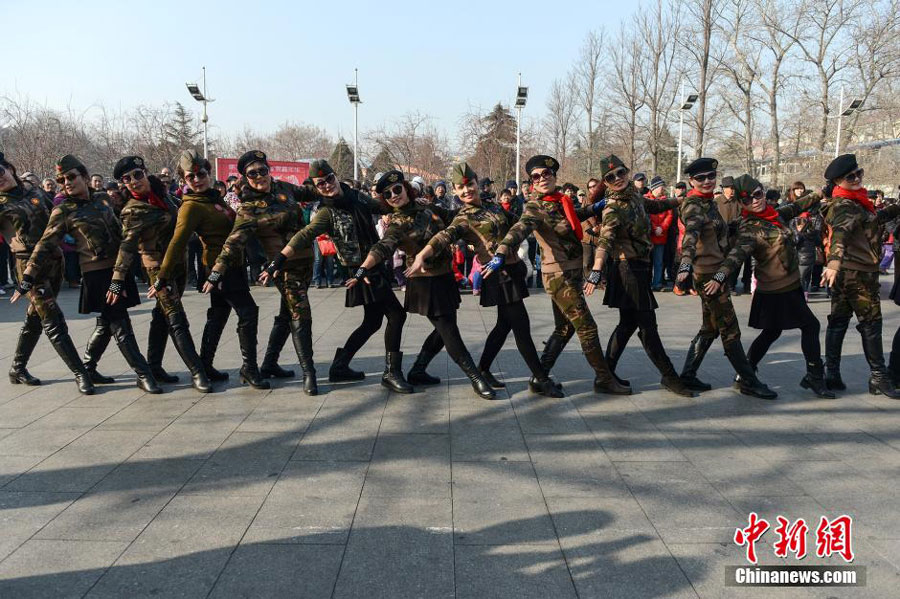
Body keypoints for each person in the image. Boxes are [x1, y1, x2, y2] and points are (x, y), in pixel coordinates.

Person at [406, 162, 563, 397]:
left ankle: (484, 368)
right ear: (455, 191)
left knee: (504, 325)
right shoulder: (463, 217)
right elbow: (443, 236)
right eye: (460, 188)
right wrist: (422, 254)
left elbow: (518, 223)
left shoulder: (493, 206)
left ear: (476, 183)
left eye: (469, 184)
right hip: (497, 276)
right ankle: (541, 378)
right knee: (521, 327)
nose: (467, 190)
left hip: (513, 270)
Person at [262, 160, 412, 393]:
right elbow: (304, 236)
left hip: (375, 264)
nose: (327, 185)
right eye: (320, 183)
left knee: (372, 321)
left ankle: (340, 365)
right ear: (315, 186)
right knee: (396, 315)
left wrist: (412, 205)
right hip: (361, 271)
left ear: (335, 176)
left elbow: (381, 207)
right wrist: (278, 261)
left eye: (329, 179)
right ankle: (391, 372)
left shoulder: (356, 196)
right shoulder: (325, 212)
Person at [347, 170, 496, 399]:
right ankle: (476, 378)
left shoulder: (428, 207)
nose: (394, 195)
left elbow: (452, 217)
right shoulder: (397, 222)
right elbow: (383, 246)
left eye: (397, 189)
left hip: (444, 276)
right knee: (449, 331)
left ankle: (418, 369)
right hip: (424, 282)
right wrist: (363, 267)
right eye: (388, 194)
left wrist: (474, 204)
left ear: (406, 188)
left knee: (443, 329)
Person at [487, 155, 628, 395]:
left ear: (554, 176)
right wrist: (501, 251)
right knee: (587, 328)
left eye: (546, 174)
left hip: (571, 273)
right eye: (536, 176)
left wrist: (594, 208)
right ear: (531, 182)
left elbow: (570, 219)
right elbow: (518, 229)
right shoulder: (535, 206)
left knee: (565, 328)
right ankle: (604, 379)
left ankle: (539, 376)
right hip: (558, 276)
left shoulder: (561, 200)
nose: (542, 179)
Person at [20, 155, 161, 393]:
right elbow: (45, 244)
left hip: (118, 269)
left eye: (72, 177)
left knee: (106, 323)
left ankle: (89, 366)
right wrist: (28, 276)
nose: (67, 182)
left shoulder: (104, 199)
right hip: (95, 273)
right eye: (62, 179)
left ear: (85, 177)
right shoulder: (62, 210)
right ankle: (143, 373)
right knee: (120, 323)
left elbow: (127, 218)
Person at [705, 174, 833, 398]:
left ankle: (745, 373)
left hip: (790, 285)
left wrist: (822, 192)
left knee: (772, 332)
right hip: (774, 289)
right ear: (741, 204)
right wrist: (719, 278)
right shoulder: (749, 228)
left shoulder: (775, 215)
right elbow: (735, 257)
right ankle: (812, 375)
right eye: (747, 200)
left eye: (758, 194)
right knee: (809, 326)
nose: (755, 201)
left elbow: (798, 205)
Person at [153, 150, 269, 389]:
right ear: (183, 180)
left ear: (208, 172)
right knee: (248, 312)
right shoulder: (191, 206)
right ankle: (249, 368)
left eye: (201, 173)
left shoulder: (213, 197)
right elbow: (177, 241)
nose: (197, 179)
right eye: (190, 177)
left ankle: (206, 364)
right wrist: (162, 276)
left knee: (218, 314)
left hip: (233, 264)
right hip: (218, 267)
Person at [205, 150, 318, 393]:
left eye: (262, 170)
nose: (259, 177)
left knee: (287, 314)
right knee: (300, 315)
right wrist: (217, 271)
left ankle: (269, 363)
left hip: (307, 262)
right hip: (284, 269)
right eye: (252, 174)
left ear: (269, 170)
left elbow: (312, 191)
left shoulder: (284, 189)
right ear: (245, 177)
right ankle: (310, 373)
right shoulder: (249, 208)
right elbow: (233, 243)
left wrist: (326, 178)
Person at [584, 156, 693, 396]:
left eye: (620, 173)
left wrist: (680, 200)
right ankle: (669, 376)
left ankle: (605, 375)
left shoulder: (633, 194)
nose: (617, 179)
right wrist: (596, 269)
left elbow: (652, 206)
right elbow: (605, 240)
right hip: (627, 270)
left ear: (627, 172)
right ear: (606, 182)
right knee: (647, 327)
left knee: (627, 324)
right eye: (610, 177)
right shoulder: (613, 206)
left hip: (641, 268)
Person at [676, 157, 776, 399]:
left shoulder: (708, 203)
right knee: (730, 330)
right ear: (691, 181)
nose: (707, 181)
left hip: (714, 270)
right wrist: (685, 264)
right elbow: (691, 236)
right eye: (701, 178)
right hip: (709, 275)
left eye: (711, 177)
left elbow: (715, 232)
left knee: (710, 328)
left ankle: (687, 376)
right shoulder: (694, 206)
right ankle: (749, 381)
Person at [111, 156, 211, 393]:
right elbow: (126, 247)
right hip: (157, 268)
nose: (134, 181)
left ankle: (154, 366)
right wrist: (117, 280)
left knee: (161, 317)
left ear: (145, 172)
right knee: (176, 318)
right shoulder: (132, 211)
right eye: (127, 179)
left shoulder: (163, 195)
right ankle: (198, 371)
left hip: (177, 264)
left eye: (137, 174)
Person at [2, 152, 94, 394]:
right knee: (53, 319)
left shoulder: (34, 192)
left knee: (36, 317)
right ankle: (80, 373)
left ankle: (17, 367)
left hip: (55, 259)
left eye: (0, 172)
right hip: (28, 266)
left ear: (9, 169)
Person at [820, 154, 900, 398]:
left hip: (848, 273)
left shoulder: (857, 202)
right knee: (872, 324)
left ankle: (831, 374)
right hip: (857, 274)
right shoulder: (845, 205)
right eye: (849, 177)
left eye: (858, 173)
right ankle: (878, 377)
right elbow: (840, 235)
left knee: (839, 321)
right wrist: (833, 263)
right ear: (837, 182)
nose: (856, 179)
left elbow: (873, 221)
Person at [646, 176, 672, 292]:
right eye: (661, 187)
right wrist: (653, 228)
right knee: (647, 262)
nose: (663, 189)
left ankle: (657, 283)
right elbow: (645, 216)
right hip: (648, 237)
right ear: (655, 188)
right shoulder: (645, 199)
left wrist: (662, 228)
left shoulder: (666, 201)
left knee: (659, 262)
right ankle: (646, 283)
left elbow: (669, 215)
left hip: (661, 236)